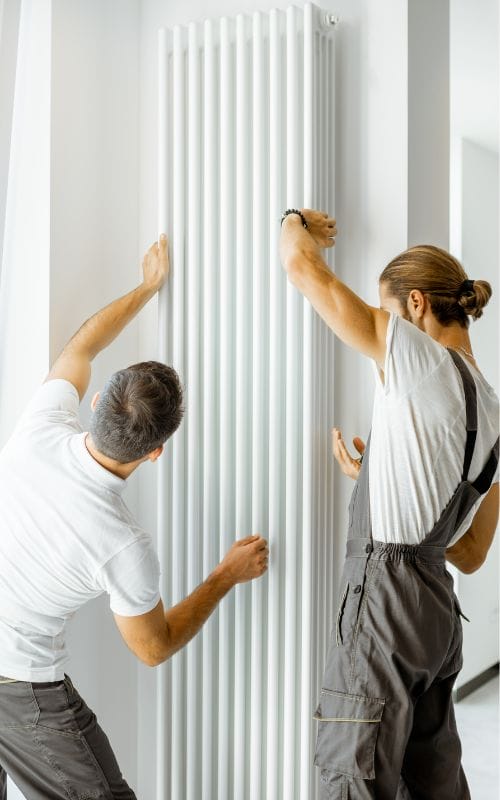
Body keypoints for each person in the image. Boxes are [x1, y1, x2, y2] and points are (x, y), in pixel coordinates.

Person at [0, 235, 268, 798]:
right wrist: (225, 575)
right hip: (17, 686)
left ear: (95, 402)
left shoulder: (38, 431)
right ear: (156, 452)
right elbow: (152, 648)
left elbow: (82, 347)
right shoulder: (123, 544)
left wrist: (148, 286)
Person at [279, 209, 499, 800]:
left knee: (354, 777)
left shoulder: (418, 358)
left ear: (418, 305)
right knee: (431, 783)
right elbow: (471, 552)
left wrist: (293, 219)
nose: (386, 327)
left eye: (390, 309)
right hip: (435, 614)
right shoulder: (494, 411)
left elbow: (302, 268)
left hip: (384, 606)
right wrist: (382, 480)